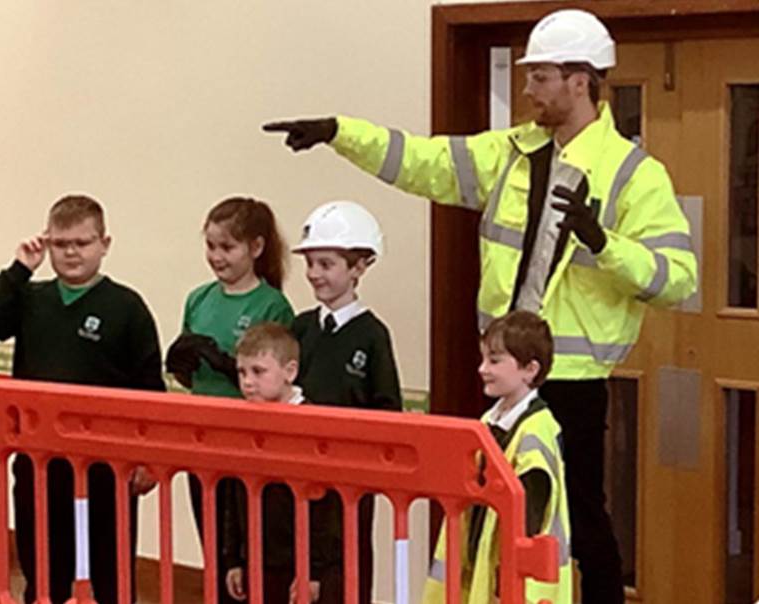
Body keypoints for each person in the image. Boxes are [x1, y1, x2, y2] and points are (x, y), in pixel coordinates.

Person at [264, 9, 698, 603]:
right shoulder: (510, 154)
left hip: (570, 382)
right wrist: (341, 132)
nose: (527, 89)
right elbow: (422, 161)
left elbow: (678, 279)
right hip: (499, 374)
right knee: (491, 512)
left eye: (540, 76)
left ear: (580, 80)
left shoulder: (634, 175)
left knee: (579, 523)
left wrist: (606, 244)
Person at [0, 194, 165, 604]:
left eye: (82, 242)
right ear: (47, 243)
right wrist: (20, 269)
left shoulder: (127, 307)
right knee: (44, 573)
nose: (71, 252)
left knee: (112, 575)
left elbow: (149, 388)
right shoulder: (30, 298)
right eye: (60, 244)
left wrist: (149, 459)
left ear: (104, 244)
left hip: (107, 466)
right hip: (39, 461)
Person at [164, 196, 295, 602]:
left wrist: (224, 363)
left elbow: (271, 379)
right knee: (213, 543)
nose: (216, 257)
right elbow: (189, 377)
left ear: (255, 248)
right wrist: (182, 362)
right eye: (211, 247)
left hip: (246, 439)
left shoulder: (271, 304)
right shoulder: (199, 299)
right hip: (202, 437)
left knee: (246, 544)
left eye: (227, 247)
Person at [291, 200, 402, 604]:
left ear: (358, 267)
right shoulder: (301, 328)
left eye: (326, 264)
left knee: (346, 572)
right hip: (302, 472)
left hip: (350, 482)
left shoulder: (372, 335)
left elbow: (388, 408)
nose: (314, 274)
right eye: (311, 264)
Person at [423, 310, 570, 604]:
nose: (482, 369)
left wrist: (509, 572)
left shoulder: (536, 431)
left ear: (529, 369)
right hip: (483, 576)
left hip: (523, 587)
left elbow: (531, 510)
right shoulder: (490, 422)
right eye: (483, 359)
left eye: (495, 360)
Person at [221, 322, 342, 604]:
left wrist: (312, 571)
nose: (248, 382)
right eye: (241, 372)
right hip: (258, 558)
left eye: (258, 372)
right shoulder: (243, 423)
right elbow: (233, 493)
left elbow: (327, 509)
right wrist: (235, 558)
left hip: (303, 562)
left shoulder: (313, 426)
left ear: (290, 372)